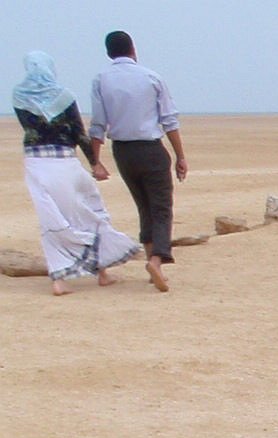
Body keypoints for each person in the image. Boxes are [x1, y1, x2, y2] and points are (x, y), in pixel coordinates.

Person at [13, 51, 140, 296]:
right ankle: (102, 271)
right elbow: (78, 132)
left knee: (51, 217)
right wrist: (95, 163)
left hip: (36, 162)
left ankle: (59, 279)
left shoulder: (19, 96)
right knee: (89, 209)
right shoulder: (64, 96)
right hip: (64, 161)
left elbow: (32, 128)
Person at [88, 30, 183, 293]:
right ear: (133, 49)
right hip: (151, 148)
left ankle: (153, 260)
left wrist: (95, 160)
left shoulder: (101, 80)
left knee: (144, 205)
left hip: (123, 152)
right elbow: (169, 120)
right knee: (161, 207)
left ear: (109, 54)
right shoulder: (151, 77)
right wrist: (180, 156)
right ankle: (156, 261)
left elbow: (97, 125)